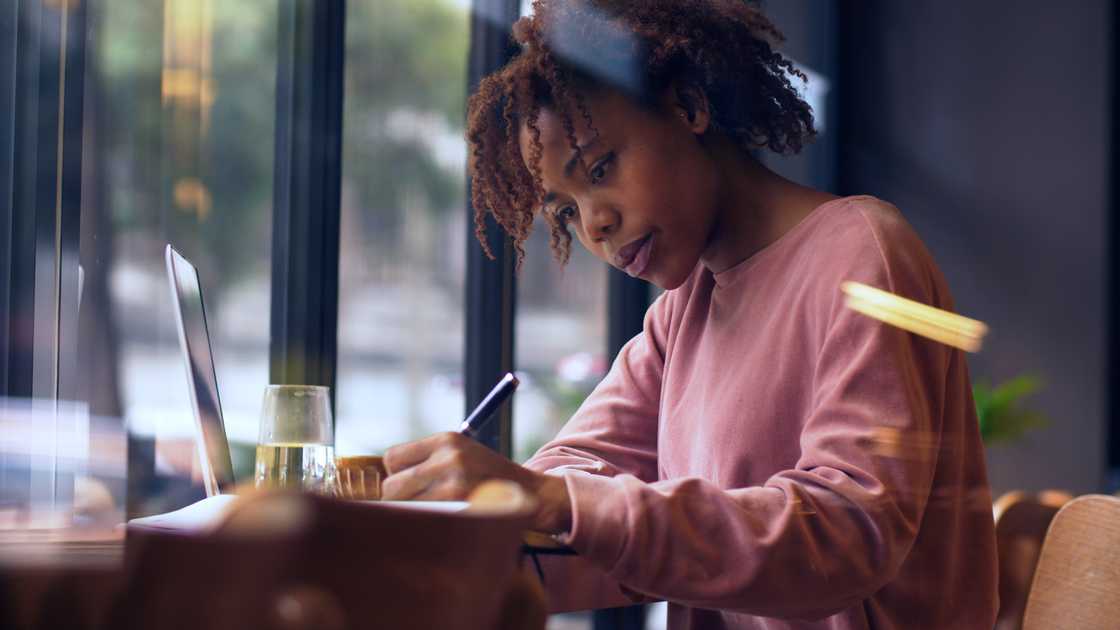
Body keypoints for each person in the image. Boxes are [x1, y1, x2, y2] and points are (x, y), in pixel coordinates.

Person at [380, 1, 998, 627]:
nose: (596, 224)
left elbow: (847, 536)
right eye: (565, 212)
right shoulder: (680, 316)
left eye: (600, 168)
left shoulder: (864, 254)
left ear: (688, 108)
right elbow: (576, 481)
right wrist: (445, 542)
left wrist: (552, 502)